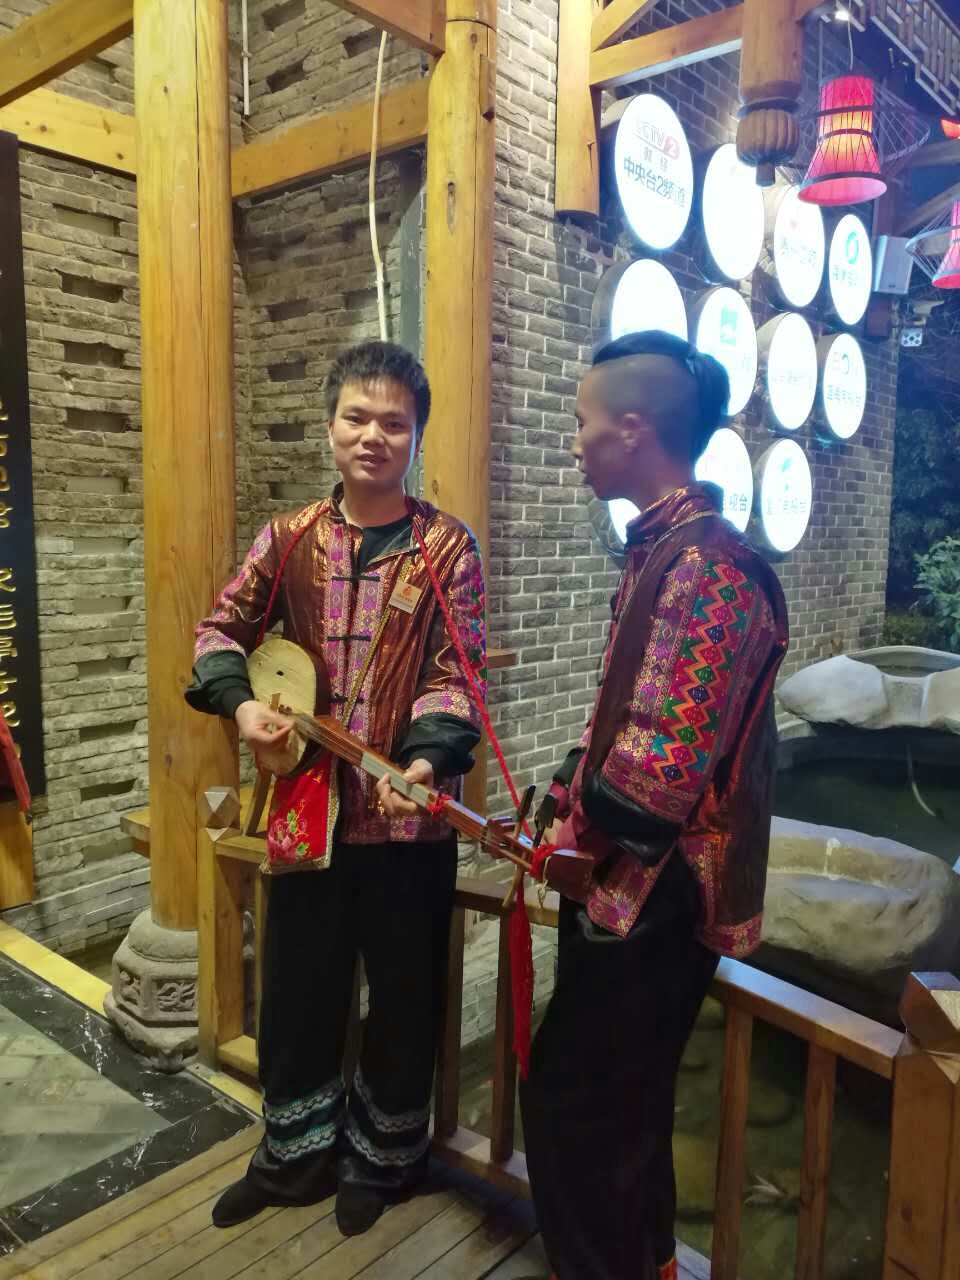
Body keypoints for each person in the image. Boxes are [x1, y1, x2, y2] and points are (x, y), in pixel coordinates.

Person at [186, 340, 485, 1236]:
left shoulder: (447, 549)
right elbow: (218, 632)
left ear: (416, 436)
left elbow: (457, 674)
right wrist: (243, 708)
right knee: (298, 991)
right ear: (330, 428)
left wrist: (425, 759)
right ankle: (292, 1158)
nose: (373, 436)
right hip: (306, 813)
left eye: (394, 422)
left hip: (406, 821)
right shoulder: (288, 539)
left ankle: (381, 1162)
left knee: (402, 995)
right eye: (357, 417)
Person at [518, 331, 789, 1280]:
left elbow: (658, 778)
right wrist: (565, 786)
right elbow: (622, 722)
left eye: (582, 423)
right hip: (628, 883)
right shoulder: (664, 549)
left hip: (658, 896)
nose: (575, 442)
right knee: (620, 1114)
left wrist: (574, 812)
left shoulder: (711, 568)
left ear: (633, 430)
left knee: (580, 1111)